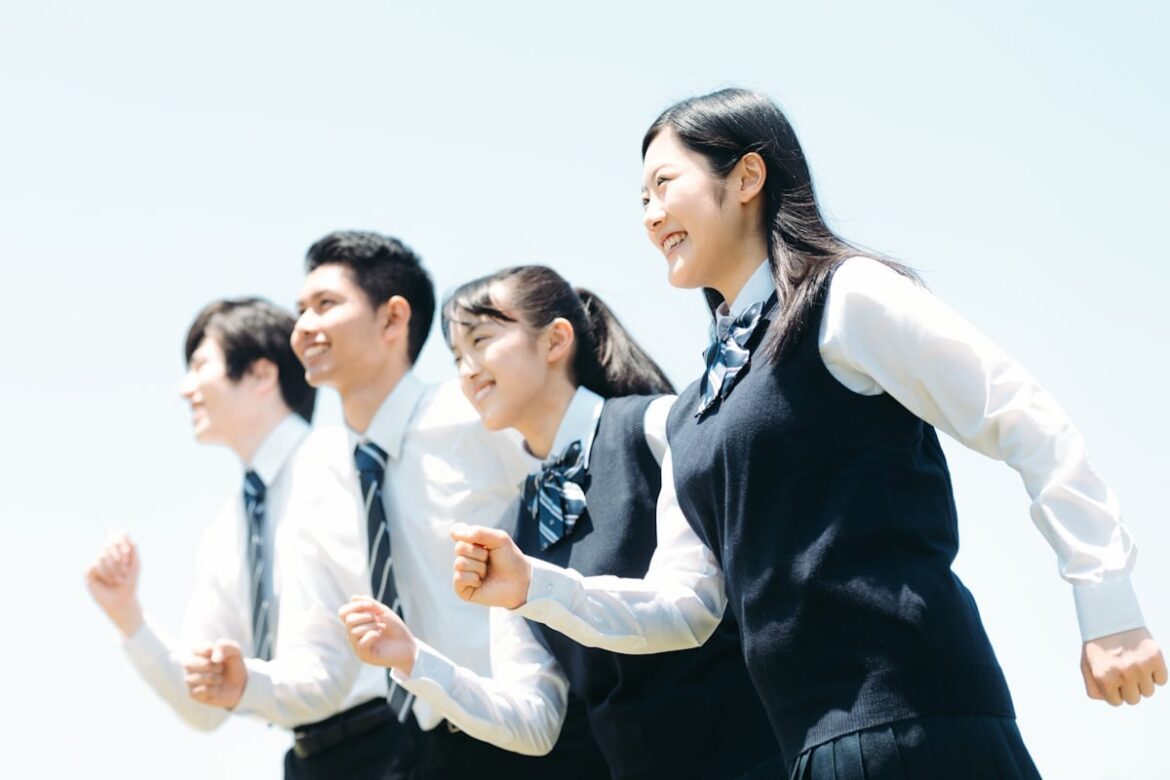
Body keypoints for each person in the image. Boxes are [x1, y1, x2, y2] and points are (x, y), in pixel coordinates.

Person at [450, 89, 1167, 778]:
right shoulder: (698, 405)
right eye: (641, 199)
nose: (650, 215)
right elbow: (684, 608)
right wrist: (533, 585)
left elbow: (1020, 415)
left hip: (920, 721)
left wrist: (1108, 606)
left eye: (665, 185)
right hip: (809, 750)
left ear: (747, 178)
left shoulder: (845, 295)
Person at [186, 232, 606, 779]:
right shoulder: (314, 482)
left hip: (556, 732)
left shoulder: (476, 414)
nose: (304, 328)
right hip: (430, 752)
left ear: (393, 319)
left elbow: (594, 514)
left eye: (326, 305)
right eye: (300, 311)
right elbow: (325, 663)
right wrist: (251, 684)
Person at [340, 265, 784, 779]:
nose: (466, 369)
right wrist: (414, 659)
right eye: (457, 357)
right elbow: (535, 721)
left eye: (481, 340)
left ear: (555, 341)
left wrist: (534, 585)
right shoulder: (515, 528)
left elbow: (691, 610)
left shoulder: (658, 427)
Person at [85, 298, 320, 764]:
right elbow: (204, 709)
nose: (184, 388)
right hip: (310, 757)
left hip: (405, 744)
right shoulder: (228, 531)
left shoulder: (345, 471)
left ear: (260, 374)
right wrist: (127, 615)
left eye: (199, 366)